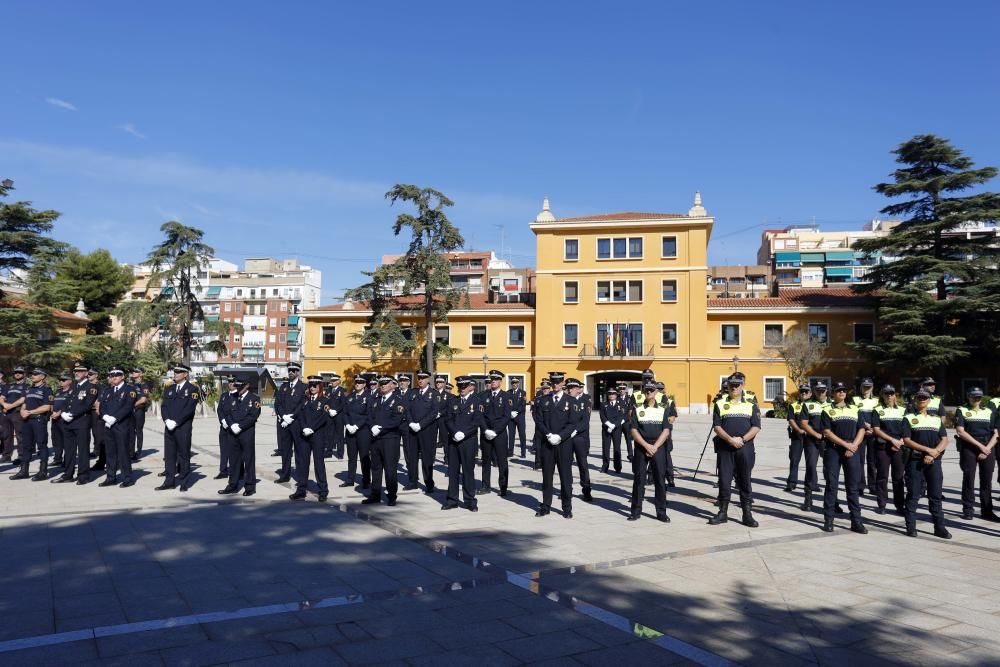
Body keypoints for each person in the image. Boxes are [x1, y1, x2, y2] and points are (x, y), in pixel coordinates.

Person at [708, 375, 761, 527]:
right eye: (731, 385)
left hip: (745, 448)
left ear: (743, 385)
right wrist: (730, 440)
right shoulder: (720, 403)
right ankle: (722, 513)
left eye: (737, 385)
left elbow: (756, 426)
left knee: (745, 480)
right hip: (725, 448)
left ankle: (747, 514)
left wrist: (742, 440)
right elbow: (717, 426)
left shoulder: (751, 404)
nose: (734, 387)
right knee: (724, 480)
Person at [901, 388, 951, 539]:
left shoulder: (936, 419)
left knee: (935, 495)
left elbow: (945, 439)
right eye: (920, 397)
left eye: (925, 397)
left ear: (929, 401)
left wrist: (934, 453)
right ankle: (911, 527)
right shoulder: (909, 418)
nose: (922, 399)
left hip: (934, 461)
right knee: (914, 494)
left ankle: (939, 528)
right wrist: (928, 450)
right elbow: (907, 440)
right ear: (915, 400)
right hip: (915, 461)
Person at [819, 382, 867, 534]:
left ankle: (856, 521)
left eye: (843, 390)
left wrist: (853, 446)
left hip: (852, 450)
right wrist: (846, 445)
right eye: (838, 390)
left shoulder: (854, 409)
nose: (841, 392)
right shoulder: (827, 410)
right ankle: (829, 520)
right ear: (833, 393)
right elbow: (827, 432)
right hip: (834, 451)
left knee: (852, 487)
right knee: (831, 485)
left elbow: (862, 429)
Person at [627, 380, 672, 522]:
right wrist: (646, 446)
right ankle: (635, 511)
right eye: (646, 390)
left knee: (659, 480)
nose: (648, 392)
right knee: (639, 480)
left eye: (651, 390)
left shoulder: (663, 408)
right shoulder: (637, 408)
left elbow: (666, 430)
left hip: (658, 447)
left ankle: (661, 512)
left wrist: (654, 447)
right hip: (642, 447)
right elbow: (633, 430)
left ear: (656, 392)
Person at [953, 386, 998, 521]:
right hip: (969, 448)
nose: (976, 399)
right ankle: (968, 510)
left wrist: (987, 448)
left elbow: (996, 433)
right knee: (969, 479)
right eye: (974, 396)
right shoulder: (962, 410)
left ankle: (987, 511)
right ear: (969, 396)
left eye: (979, 397)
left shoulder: (989, 411)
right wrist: (980, 446)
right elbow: (960, 431)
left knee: (986, 481)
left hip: (988, 447)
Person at [536, 372, 576, 518]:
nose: (555, 384)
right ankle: (545, 506)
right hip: (548, 443)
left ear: (562, 383)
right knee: (547, 477)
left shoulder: (570, 401)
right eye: (553, 382)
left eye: (558, 382)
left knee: (565, 477)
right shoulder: (543, 400)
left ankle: (567, 508)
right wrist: (548, 434)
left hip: (564, 444)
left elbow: (572, 423)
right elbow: (539, 421)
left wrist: (560, 436)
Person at [156, 364, 200, 492]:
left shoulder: (192, 389)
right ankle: (169, 481)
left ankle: (184, 482)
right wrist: (167, 420)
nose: (175, 374)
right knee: (169, 455)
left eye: (179, 372)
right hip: (169, 427)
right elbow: (164, 406)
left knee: (184, 455)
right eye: (175, 371)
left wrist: (176, 421)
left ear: (185, 374)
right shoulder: (169, 389)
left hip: (183, 427)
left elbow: (190, 409)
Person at [442, 376, 483, 512]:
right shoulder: (452, 401)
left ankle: (470, 500)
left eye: (464, 387)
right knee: (453, 472)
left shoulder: (476, 401)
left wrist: (464, 433)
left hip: (468, 441)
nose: (461, 389)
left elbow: (477, 421)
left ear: (469, 387)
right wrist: (454, 432)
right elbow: (447, 419)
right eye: (459, 387)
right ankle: (452, 500)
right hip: (453, 440)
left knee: (468, 471)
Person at [363, 376, 405, 506]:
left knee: (390, 468)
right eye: (381, 383)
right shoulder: (376, 400)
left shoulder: (398, 400)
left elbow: (396, 420)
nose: (383, 385)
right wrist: (372, 426)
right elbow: (369, 416)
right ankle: (375, 494)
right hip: (376, 439)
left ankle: (392, 495)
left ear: (393, 385)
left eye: (386, 383)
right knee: (375, 468)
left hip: (390, 439)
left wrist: (380, 428)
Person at [53, 364, 98, 484]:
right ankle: (68, 474)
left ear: (86, 373)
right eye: (75, 371)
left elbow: (87, 404)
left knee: (83, 450)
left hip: (81, 422)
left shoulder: (91, 387)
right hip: (68, 423)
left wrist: (72, 414)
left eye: (79, 371)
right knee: (69, 450)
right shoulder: (73, 386)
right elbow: (66, 400)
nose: (76, 373)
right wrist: (62, 413)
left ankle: (83, 476)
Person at [290, 376, 330, 502]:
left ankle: (323, 490)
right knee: (303, 463)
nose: (312, 388)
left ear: (320, 387)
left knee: (319, 463)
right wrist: (303, 428)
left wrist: (312, 428)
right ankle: (301, 490)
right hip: (304, 435)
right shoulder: (305, 400)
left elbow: (324, 417)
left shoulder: (325, 401)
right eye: (310, 385)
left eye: (315, 385)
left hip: (317, 435)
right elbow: (300, 415)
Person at [218, 377, 261, 497]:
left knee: (249, 460)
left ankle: (250, 486)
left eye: (240, 386)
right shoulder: (232, 397)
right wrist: (232, 424)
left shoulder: (254, 398)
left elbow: (253, 416)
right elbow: (226, 413)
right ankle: (232, 485)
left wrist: (240, 426)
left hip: (246, 432)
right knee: (234, 460)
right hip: (233, 433)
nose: (238, 388)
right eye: (236, 386)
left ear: (247, 385)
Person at [870, 385, 907, 516]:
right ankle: (882, 504)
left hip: (899, 447)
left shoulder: (903, 410)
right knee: (882, 477)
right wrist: (892, 440)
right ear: (883, 396)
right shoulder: (878, 410)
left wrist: (901, 441)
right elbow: (876, 429)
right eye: (886, 394)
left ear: (895, 395)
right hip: (883, 447)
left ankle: (899, 505)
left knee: (898, 478)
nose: (889, 396)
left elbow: (907, 429)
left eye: (891, 393)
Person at [11, 368, 53, 481]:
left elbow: (47, 407)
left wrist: (29, 412)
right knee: (26, 446)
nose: (33, 376)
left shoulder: (46, 389)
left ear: (42, 376)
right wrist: (22, 412)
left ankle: (43, 471)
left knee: (42, 446)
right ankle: (24, 471)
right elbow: (24, 404)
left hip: (39, 420)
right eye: (32, 374)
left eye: (36, 374)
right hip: (27, 421)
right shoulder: (28, 389)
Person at [404, 371, 442, 493]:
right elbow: (407, 409)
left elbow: (434, 412)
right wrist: (410, 423)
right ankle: (412, 481)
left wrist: (420, 424)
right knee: (412, 457)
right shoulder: (412, 393)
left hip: (427, 430)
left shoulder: (434, 394)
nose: (420, 380)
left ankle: (429, 483)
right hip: (412, 429)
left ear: (428, 380)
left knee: (427, 458)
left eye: (423, 378)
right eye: (419, 378)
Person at [98, 368, 136, 488]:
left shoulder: (129, 390)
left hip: (122, 425)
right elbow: (102, 405)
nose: (114, 377)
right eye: (112, 375)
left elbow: (128, 407)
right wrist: (105, 416)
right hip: (108, 425)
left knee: (123, 452)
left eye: (117, 375)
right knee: (110, 453)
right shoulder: (107, 390)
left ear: (123, 377)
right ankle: (111, 477)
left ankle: (127, 478)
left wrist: (114, 418)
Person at [797, 382, 830, 511]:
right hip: (812, 440)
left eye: (822, 390)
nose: (820, 393)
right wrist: (816, 435)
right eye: (818, 390)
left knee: (830, 470)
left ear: (826, 391)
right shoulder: (807, 404)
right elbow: (804, 424)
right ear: (814, 391)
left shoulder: (832, 404)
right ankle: (808, 499)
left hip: (828, 441)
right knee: (810, 467)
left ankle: (833, 501)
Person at [479, 370, 511, 497]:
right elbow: (480, 415)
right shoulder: (483, 396)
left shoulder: (506, 396)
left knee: (502, 461)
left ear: (500, 382)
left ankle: (503, 487)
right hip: (486, 433)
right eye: (491, 379)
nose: (492, 381)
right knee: (486, 460)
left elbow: (506, 416)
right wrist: (485, 430)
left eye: (495, 379)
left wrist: (496, 431)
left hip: (500, 433)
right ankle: (485, 485)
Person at [274, 362, 306, 483]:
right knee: (285, 451)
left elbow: (302, 405)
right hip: (284, 424)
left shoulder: (304, 387)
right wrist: (283, 416)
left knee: (299, 452)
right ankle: (285, 475)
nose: (291, 372)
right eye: (289, 370)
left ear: (298, 372)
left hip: (296, 423)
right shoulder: (283, 387)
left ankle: (300, 477)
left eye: (293, 370)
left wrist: (291, 417)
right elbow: (278, 404)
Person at [341, 374, 372, 489]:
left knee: (364, 457)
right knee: (351, 457)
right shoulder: (350, 396)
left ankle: (366, 480)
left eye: (360, 382)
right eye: (356, 382)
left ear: (364, 384)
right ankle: (350, 479)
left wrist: (357, 426)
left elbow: (368, 415)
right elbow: (345, 412)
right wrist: (348, 424)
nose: (357, 384)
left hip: (363, 431)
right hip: (350, 431)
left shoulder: (369, 397)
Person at [566, 378, 593, 502]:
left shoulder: (585, 401)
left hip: (579, 437)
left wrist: (575, 430)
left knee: (582, 464)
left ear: (578, 389)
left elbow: (585, 420)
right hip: (567, 437)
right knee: (566, 465)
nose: (570, 390)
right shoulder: (564, 401)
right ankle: (567, 490)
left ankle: (586, 490)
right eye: (568, 388)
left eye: (572, 388)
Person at [852, 378, 879, 494]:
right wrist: (864, 427)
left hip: (873, 433)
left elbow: (878, 416)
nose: (866, 389)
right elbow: (854, 414)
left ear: (872, 387)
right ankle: (860, 486)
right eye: (864, 386)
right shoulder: (855, 399)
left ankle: (873, 486)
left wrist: (872, 428)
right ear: (861, 387)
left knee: (872, 461)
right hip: (860, 433)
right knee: (860, 461)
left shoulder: (877, 400)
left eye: (868, 387)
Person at [785, 384, 810, 492]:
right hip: (797, 436)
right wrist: (799, 430)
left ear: (810, 393)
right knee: (794, 460)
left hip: (810, 437)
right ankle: (791, 483)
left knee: (811, 462)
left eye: (806, 391)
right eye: (802, 391)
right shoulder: (793, 405)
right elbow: (791, 420)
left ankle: (811, 483)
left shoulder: (814, 405)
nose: (803, 393)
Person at [1, 366, 28, 464]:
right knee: (6, 435)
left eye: (20, 372)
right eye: (16, 372)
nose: (17, 374)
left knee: (20, 435)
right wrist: (4, 405)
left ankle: (21, 456)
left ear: (24, 374)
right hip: (7, 413)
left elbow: (23, 399)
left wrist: (10, 406)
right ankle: (7, 455)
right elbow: (2, 397)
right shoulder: (8, 386)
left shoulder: (27, 386)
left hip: (17, 413)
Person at [216, 377, 238, 479]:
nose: (231, 384)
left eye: (233, 382)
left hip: (235, 428)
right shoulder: (224, 396)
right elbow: (219, 409)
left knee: (236, 451)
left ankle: (238, 471)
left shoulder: (239, 396)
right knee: (224, 450)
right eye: (229, 382)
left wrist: (232, 423)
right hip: (224, 428)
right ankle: (223, 470)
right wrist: (222, 420)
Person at [600, 387, 626, 473]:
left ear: (616, 394)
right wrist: (608, 425)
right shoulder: (604, 404)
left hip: (616, 429)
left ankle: (618, 467)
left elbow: (622, 416)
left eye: (613, 393)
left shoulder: (621, 403)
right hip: (606, 429)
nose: (611, 395)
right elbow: (602, 416)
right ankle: (605, 466)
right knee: (605, 448)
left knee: (617, 448)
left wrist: (614, 425)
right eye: (610, 394)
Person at [50, 373, 72, 469]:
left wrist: (59, 413)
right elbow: (52, 403)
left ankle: (67, 460)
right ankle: (57, 459)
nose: (61, 382)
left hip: (64, 419)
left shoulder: (72, 391)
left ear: (70, 381)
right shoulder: (58, 392)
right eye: (60, 380)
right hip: (55, 420)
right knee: (56, 440)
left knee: (67, 441)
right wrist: (52, 412)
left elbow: (70, 405)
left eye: (63, 380)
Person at [129, 367, 151, 461]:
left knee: (138, 431)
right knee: (130, 432)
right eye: (133, 371)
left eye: (136, 372)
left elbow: (143, 399)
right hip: (131, 411)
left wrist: (131, 405)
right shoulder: (130, 384)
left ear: (141, 374)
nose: (133, 373)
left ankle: (139, 451)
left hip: (139, 410)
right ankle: (131, 452)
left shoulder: (144, 385)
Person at [325, 374, 346, 459]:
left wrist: (336, 410)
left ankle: (340, 453)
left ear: (338, 381)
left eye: (334, 381)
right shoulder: (328, 390)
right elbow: (325, 401)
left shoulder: (342, 390)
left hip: (339, 416)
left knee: (339, 435)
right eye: (331, 381)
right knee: (329, 434)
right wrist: (329, 410)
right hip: (329, 415)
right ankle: (329, 452)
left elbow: (343, 403)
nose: (332, 382)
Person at [508, 377, 527, 458]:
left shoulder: (522, 392)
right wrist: (510, 412)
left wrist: (517, 412)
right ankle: (510, 452)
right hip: (511, 417)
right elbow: (506, 404)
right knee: (511, 435)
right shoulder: (508, 392)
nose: (514, 384)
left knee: (522, 435)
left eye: (516, 383)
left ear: (518, 384)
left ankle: (523, 452)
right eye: (513, 383)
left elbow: (523, 404)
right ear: (511, 384)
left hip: (520, 416)